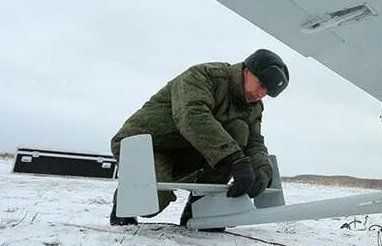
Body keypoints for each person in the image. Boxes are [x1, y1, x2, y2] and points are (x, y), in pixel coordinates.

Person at [108, 49, 289, 229]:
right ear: (247, 71)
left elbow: (254, 142)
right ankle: (125, 198)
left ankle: (198, 210)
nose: (261, 94)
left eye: (267, 92)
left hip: (188, 150)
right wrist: (235, 159)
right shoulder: (204, 76)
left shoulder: (253, 107)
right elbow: (191, 116)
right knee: (150, 203)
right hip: (145, 145)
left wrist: (262, 170)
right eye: (261, 85)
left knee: (239, 130)